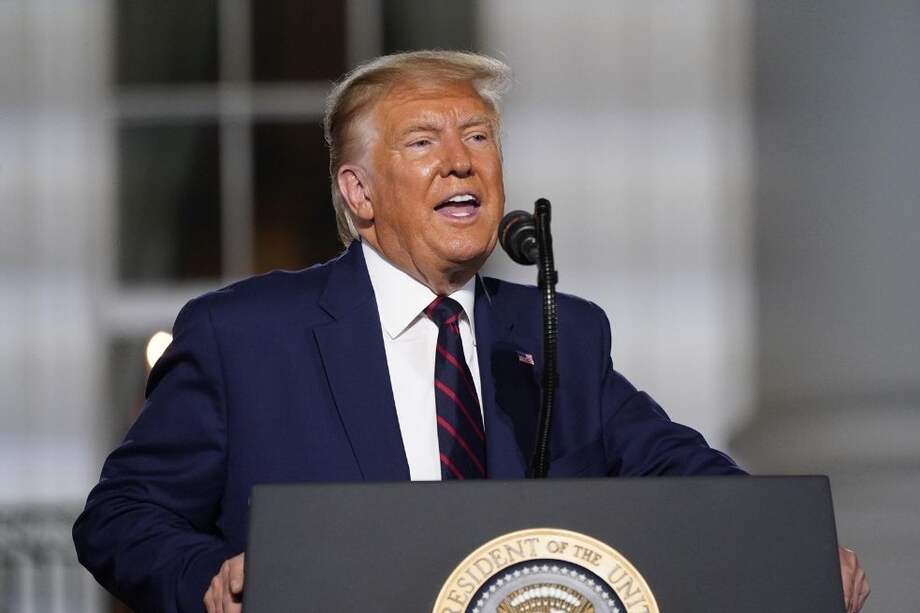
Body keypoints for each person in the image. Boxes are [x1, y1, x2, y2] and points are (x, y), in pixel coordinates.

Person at [73, 51, 869, 613]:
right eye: (424, 142)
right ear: (359, 192)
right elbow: (119, 515)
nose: (461, 162)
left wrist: (785, 550)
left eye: (479, 137)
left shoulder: (561, 334)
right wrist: (210, 577)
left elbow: (676, 465)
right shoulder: (244, 336)